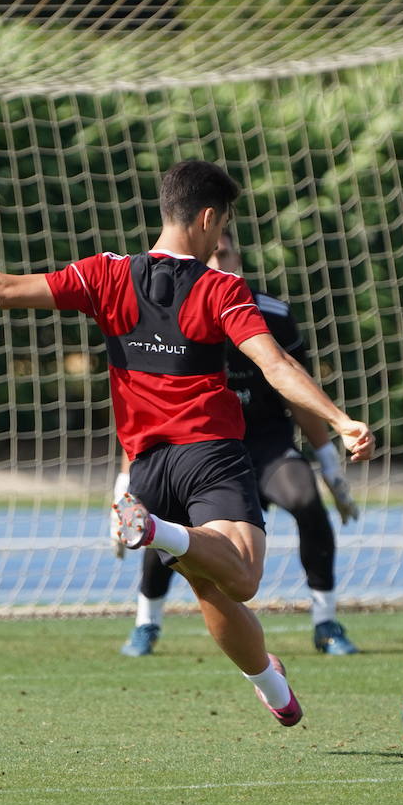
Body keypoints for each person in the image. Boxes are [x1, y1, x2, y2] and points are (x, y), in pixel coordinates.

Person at [0, 160, 372, 727]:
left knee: (209, 588)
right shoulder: (222, 289)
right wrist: (340, 420)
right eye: (222, 222)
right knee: (244, 578)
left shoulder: (106, 275)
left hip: (147, 472)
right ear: (207, 218)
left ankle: (271, 684)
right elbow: (275, 365)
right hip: (209, 457)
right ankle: (159, 534)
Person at [115, 230, 362, 658]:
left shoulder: (272, 314)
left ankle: (326, 622)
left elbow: (293, 389)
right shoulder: (168, 312)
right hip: (198, 447)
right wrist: (124, 483)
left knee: (306, 501)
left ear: (237, 254)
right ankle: (146, 623)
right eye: (209, 253)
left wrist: (330, 466)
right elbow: (145, 400)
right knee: (165, 517)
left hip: (264, 447)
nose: (216, 260)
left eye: (224, 252)